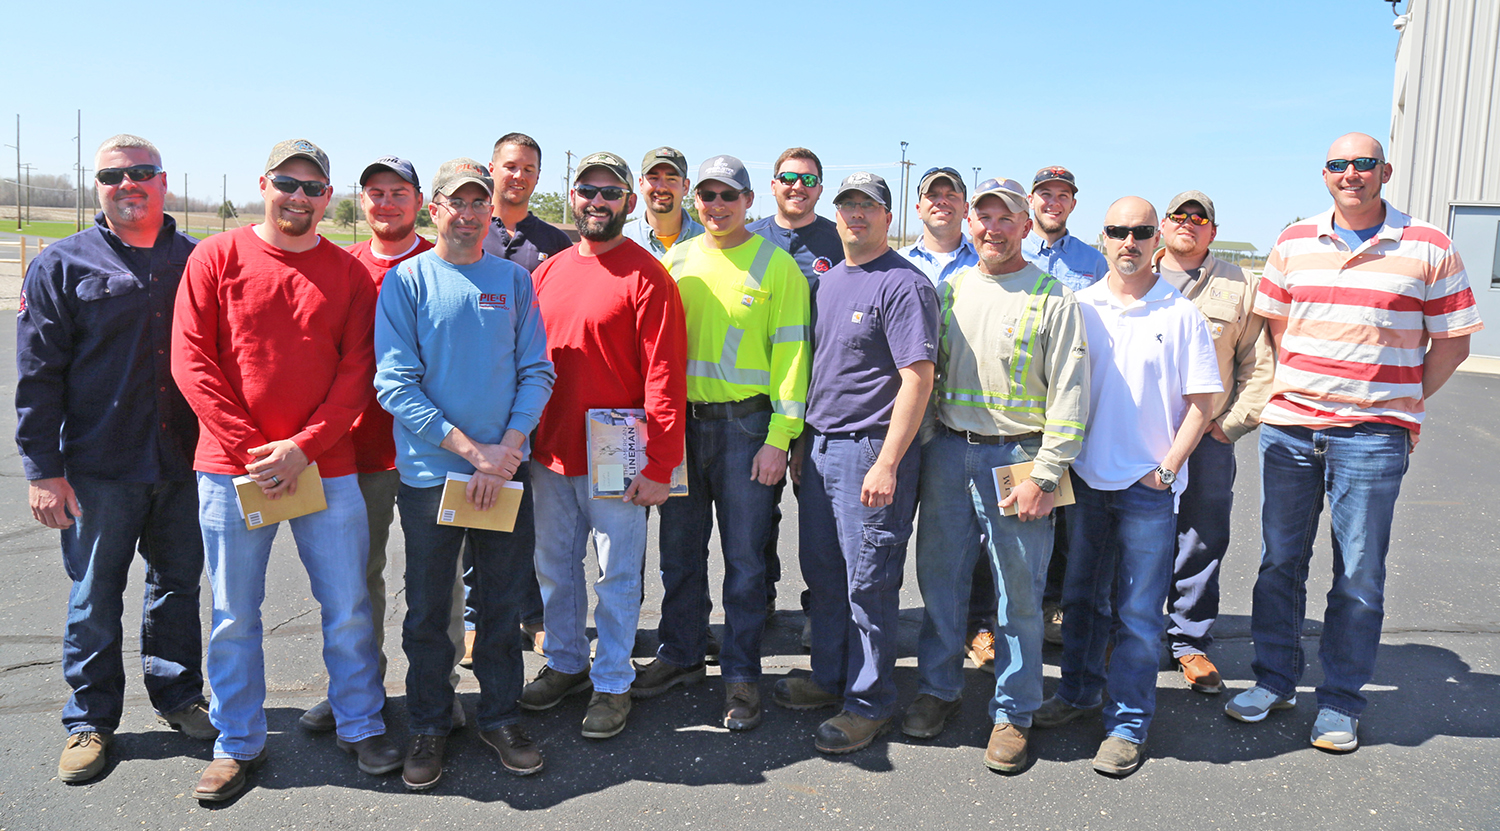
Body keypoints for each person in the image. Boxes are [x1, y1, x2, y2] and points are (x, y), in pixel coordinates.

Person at [1226, 133, 1481, 753]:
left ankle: (1339, 701)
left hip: (1372, 436)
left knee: (1359, 574)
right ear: (1324, 174)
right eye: (1339, 165)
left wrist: (1396, 401)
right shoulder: (1293, 243)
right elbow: (1281, 330)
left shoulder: (1428, 245)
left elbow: (1452, 340)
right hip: (1291, 432)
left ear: (1384, 172)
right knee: (1278, 563)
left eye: (1364, 164)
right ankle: (1275, 681)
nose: (1351, 174)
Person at [172, 139, 399, 800]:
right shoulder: (216, 256)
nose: (298, 197)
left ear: (328, 198)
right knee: (234, 611)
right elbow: (193, 362)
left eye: (312, 187)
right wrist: (253, 449)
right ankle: (237, 741)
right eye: (287, 183)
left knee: (350, 605)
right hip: (230, 471)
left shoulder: (350, 274)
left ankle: (360, 722)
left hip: (325, 469)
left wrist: (303, 446)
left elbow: (359, 373)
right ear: (264, 184)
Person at [17, 133, 216, 784]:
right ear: (96, 185)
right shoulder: (62, 266)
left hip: (186, 464)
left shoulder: (199, 260)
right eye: (113, 174)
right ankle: (89, 721)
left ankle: (179, 693)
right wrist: (43, 469)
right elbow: (39, 374)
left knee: (177, 587)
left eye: (141, 172)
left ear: (163, 181)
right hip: (101, 466)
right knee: (95, 596)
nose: (128, 182)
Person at [375, 158, 554, 789]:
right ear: (436, 209)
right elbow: (394, 384)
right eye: (458, 201)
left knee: (503, 608)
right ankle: (429, 722)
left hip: (505, 471)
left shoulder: (513, 280)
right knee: (428, 609)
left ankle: (500, 715)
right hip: (431, 478)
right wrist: (473, 453)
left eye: (481, 202)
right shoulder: (406, 282)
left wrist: (505, 449)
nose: (471, 212)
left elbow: (537, 371)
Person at [1032, 197, 1221, 777]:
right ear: (1104, 237)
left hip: (1147, 489)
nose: (1129, 241)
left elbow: (1203, 402)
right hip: (1086, 482)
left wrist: (1166, 469)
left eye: (1141, 231)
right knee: (1082, 602)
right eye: (1118, 231)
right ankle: (1078, 694)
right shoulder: (1079, 306)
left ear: (1155, 238)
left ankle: (1128, 724)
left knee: (1139, 614)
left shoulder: (1180, 313)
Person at [906, 178, 1088, 773]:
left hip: (1021, 461)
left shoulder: (1052, 297)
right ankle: (938, 690)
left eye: (1004, 218)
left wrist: (1046, 472)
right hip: (949, 455)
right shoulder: (948, 289)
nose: (991, 227)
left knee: (1019, 598)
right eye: (982, 217)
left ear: (1025, 226)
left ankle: (1013, 712)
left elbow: (1070, 395)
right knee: (941, 584)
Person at [634, 155, 809, 734]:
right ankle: (681, 654)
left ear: (748, 201)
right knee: (680, 552)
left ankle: (740, 673)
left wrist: (780, 438)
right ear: (694, 201)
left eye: (727, 196)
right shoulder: (674, 261)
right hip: (682, 427)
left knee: (744, 561)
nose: (715, 206)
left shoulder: (776, 267)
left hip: (748, 430)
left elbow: (791, 359)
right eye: (706, 196)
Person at [521, 152, 687, 740]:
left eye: (610, 192)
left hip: (617, 456)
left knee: (615, 575)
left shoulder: (648, 276)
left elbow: (664, 375)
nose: (597, 201)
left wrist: (661, 462)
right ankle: (567, 662)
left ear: (629, 202)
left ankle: (613, 680)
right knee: (555, 569)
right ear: (573, 197)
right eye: (587, 190)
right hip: (550, 452)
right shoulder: (549, 271)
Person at [300, 156, 464, 734]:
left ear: (421, 201)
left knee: (439, 584)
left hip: (432, 452)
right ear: (360, 201)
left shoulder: (445, 261)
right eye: (375, 192)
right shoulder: (342, 268)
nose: (386, 202)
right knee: (354, 580)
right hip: (358, 452)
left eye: (399, 192)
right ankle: (358, 690)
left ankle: (439, 689)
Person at [776, 172, 936, 755]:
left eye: (867, 207)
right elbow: (820, 372)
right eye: (847, 207)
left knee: (869, 583)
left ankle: (869, 703)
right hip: (820, 447)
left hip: (871, 451)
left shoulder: (902, 285)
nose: (855, 217)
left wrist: (889, 461)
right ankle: (830, 678)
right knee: (825, 576)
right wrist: (801, 444)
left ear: (887, 217)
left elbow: (917, 378)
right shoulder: (829, 281)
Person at [1150, 190, 1273, 695]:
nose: (1189, 223)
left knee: (1201, 538)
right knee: (1129, 535)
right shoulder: (1131, 273)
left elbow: (1258, 364)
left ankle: (1189, 642)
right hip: (1141, 436)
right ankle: (1128, 630)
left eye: (1200, 219)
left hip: (1207, 438)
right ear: (1162, 225)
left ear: (1212, 232)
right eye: (1180, 215)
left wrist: (1230, 426)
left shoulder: (1240, 285)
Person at [476, 131, 573, 659]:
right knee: (478, 499)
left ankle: (533, 614)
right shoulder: (470, 229)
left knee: (532, 511)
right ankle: (477, 614)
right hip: (479, 393)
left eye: (530, 169)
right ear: (493, 168)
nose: (519, 176)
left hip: (535, 396)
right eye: (511, 166)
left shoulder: (553, 241)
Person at [897, 165, 996, 670]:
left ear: (965, 208)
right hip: (897, 422)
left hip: (957, 425)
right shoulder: (893, 264)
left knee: (967, 537)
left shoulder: (983, 263)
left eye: (951, 194)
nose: (941, 201)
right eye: (931, 194)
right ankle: (878, 625)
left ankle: (977, 626)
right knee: (889, 529)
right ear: (918, 207)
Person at [746, 147, 843, 629]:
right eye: (788, 178)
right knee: (758, 513)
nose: (796, 187)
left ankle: (819, 609)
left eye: (808, 180)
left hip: (819, 399)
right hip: (757, 402)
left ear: (820, 189)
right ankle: (761, 597)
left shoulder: (838, 240)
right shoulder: (750, 238)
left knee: (818, 516)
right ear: (773, 184)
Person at [1022, 166, 1111, 646]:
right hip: (1018, 410)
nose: (1053, 203)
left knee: (1067, 513)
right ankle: (1000, 613)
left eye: (1062, 195)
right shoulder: (1008, 249)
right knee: (1016, 515)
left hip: (1069, 407)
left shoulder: (1092, 262)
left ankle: (1055, 604)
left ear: (1073, 204)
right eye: (1044, 194)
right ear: (1032, 202)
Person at [622, 146, 705, 256]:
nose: (661, 187)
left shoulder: (707, 240)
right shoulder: (621, 240)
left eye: (671, 179)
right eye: (653, 178)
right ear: (641, 184)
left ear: (685, 187)